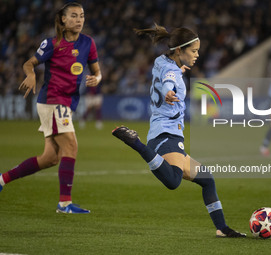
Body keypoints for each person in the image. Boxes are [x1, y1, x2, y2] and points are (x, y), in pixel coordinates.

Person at [112, 24, 246, 238]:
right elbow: (168, 82)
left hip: (163, 133)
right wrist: (169, 92)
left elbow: (167, 74)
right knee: (173, 181)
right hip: (167, 135)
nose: (197, 55)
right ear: (179, 51)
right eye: (193, 51)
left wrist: (177, 72)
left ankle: (222, 228)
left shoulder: (161, 61)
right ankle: (136, 143)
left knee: (207, 179)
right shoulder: (172, 71)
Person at [0, 2, 102, 214]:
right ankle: (64, 204)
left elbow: (97, 71)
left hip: (67, 104)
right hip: (53, 101)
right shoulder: (52, 44)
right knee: (71, 146)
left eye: (82, 16)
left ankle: (2, 179)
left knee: (50, 158)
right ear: (63, 20)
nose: (79, 20)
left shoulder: (88, 43)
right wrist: (30, 74)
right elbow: (29, 63)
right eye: (74, 16)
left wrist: (96, 78)